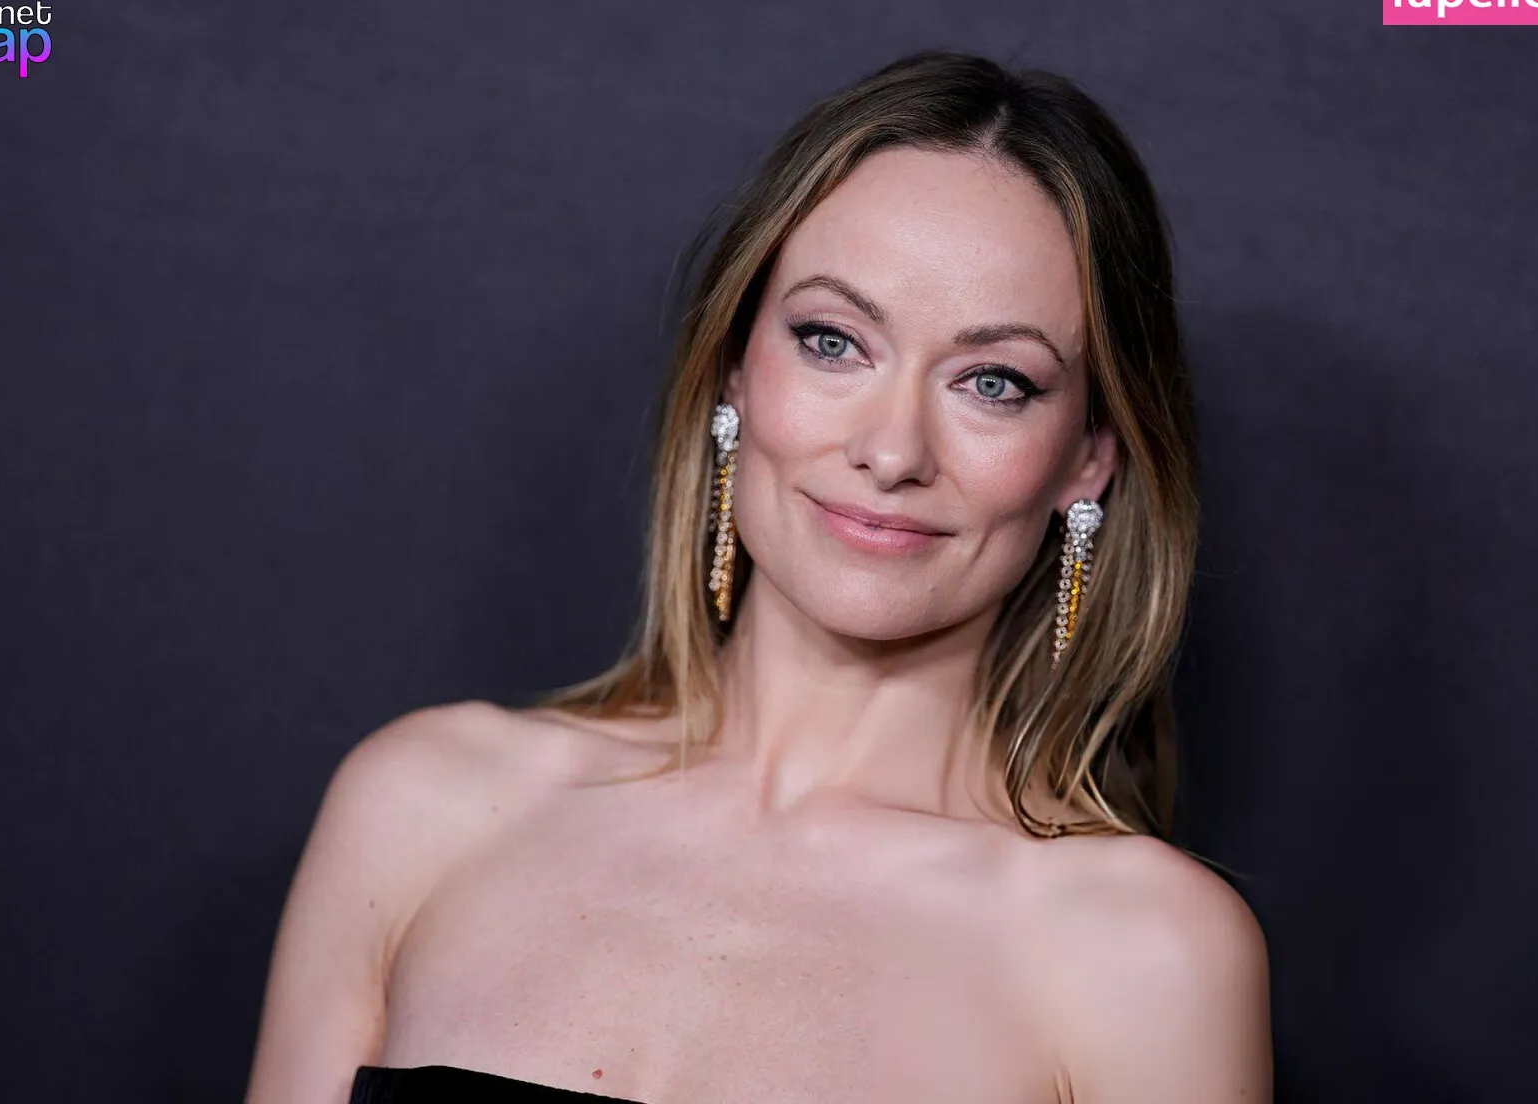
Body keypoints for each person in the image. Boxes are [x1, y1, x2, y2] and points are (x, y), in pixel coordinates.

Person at [245, 49, 1272, 1104]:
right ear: (737, 367)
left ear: (1090, 457)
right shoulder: (423, 809)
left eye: (994, 383)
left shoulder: (1145, 957)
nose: (891, 451)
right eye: (833, 341)